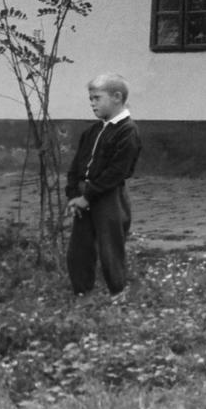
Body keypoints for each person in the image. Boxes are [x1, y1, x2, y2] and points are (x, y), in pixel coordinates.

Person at [65, 73, 141, 302]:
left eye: (97, 98)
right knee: (79, 248)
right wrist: (74, 194)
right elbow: (76, 165)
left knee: (110, 246)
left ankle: (118, 291)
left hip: (108, 197)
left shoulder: (127, 132)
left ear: (117, 97)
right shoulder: (92, 131)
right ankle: (82, 291)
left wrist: (89, 195)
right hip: (84, 197)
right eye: (90, 99)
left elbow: (117, 172)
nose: (92, 103)